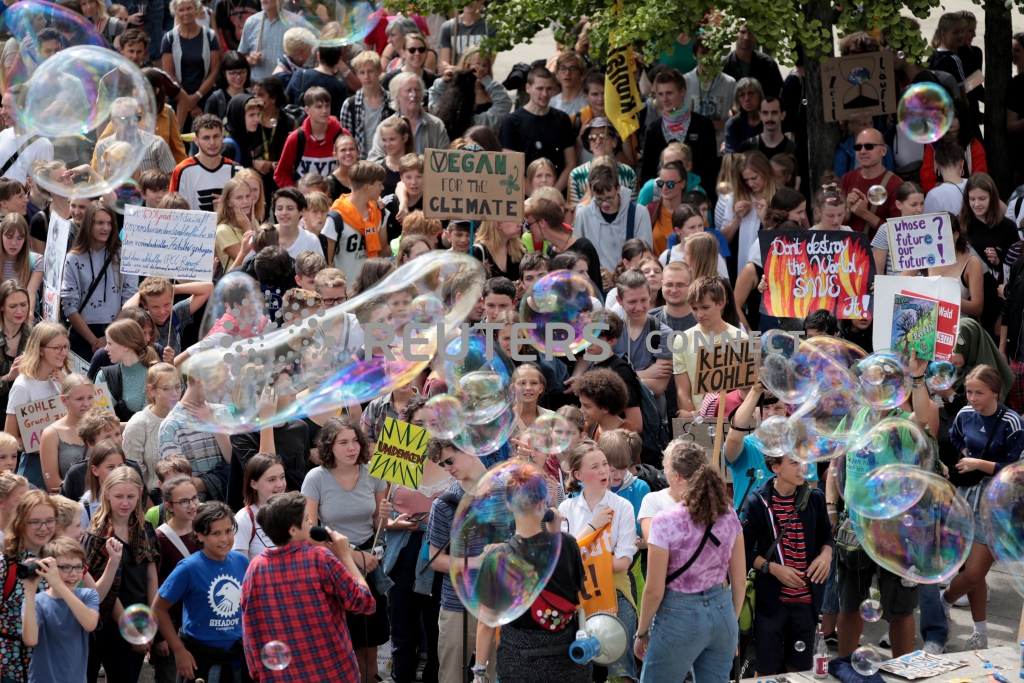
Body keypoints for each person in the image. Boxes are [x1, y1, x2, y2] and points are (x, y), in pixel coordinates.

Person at [634, 440, 745, 683]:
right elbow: (739, 581)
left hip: (679, 614)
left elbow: (654, 590)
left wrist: (641, 632)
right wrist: (731, 624)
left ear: (675, 476)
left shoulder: (664, 520)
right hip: (722, 611)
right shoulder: (728, 513)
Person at [240, 491, 375, 682]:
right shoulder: (320, 558)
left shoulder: (254, 568)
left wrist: (256, 671)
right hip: (332, 672)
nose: (312, 523)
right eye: (307, 519)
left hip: (281, 676)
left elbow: (249, 625)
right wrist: (345, 555)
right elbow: (365, 603)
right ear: (293, 530)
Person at [472, 464, 588, 683]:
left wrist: (479, 672)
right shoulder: (568, 545)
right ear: (544, 502)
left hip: (518, 662)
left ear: (508, 504)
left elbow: (486, 623)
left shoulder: (498, 557)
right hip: (567, 660)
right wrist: (554, 525)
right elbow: (576, 594)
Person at [302, 415, 391, 681]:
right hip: (333, 562)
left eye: (355, 441)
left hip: (370, 563)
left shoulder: (374, 472)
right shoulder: (315, 478)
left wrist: (384, 515)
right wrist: (350, 555)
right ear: (329, 445)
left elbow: (378, 526)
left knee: (370, 646)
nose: (351, 448)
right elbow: (310, 533)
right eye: (343, 442)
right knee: (342, 646)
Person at [941, 365, 1024, 649]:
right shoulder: (965, 414)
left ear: (995, 393)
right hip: (966, 497)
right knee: (972, 571)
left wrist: (978, 463)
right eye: (969, 391)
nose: (973, 398)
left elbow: (1016, 469)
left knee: (975, 572)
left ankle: (943, 603)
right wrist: (966, 455)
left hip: (998, 502)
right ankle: (981, 633)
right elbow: (954, 437)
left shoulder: (1012, 422)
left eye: (980, 393)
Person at [743, 451, 832, 675]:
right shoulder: (758, 501)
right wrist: (772, 568)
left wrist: (826, 555)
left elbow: (826, 537)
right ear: (776, 468)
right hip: (772, 604)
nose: (803, 467)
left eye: (803, 462)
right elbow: (741, 550)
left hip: (806, 602)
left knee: (799, 670)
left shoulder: (815, 498)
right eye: (794, 463)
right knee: (766, 669)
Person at [559, 439, 639, 681]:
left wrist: (582, 554)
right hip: (577, 594)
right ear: (578, 474)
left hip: (615, 591)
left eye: (605, 464)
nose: (604, 471)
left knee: (621, 666)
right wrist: (594, 527)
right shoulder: (566, 509)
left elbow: (623, 561)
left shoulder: (622, 507)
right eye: (594, 467)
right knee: (583, 666)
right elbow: (563, 559)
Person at [153, 501, 250, 683]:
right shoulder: (188, 568)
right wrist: (179, 651)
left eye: (228, 531)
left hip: (237, 656)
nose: (224, 539)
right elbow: (158, 608)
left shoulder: (241, 561)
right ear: (199, 535)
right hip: (202, 659)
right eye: (216, 533)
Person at [425, 438, 495, 683]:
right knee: (451, 676)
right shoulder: (444, 503)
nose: (447, 468)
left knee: (499, 675)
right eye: (443, 464)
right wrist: (477, 562)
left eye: (450, 460)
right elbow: (435, 561)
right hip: (458, 604)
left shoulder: (509, 492)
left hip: (500, 602)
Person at [83, 467, 160, 683]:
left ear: (140, 494)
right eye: (118, 496)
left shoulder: (145, 528)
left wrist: (150, 623)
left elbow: (151, 575)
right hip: (112, 622)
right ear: (106, 494)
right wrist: (132, 633)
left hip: (141, 614)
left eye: (130, 496)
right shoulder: (97, 536)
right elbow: (104, 592)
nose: (125, 503)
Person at [60, 200, 136, 358]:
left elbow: (130, 297)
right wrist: (95, 341)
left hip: (118, 331)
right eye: (100, 223)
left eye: (109, 223)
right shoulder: (73, 258)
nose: (106, 228)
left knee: (110, 383)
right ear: (89, 224)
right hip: (83, 336)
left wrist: (109, 338)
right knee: (89, 382)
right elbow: (69, 304)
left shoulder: (125, 254)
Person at [21, 536, 100, 683]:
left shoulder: (88, 595)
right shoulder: (36, 601)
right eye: (65, 567)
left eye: (78, 566)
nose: (74, 573)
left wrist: (59, 584)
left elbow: (90, 624)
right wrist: (30, 591)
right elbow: (30, 640)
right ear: (47, 569)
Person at [149, 473, 199, 683]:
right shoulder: (160, 538)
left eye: (195, 498)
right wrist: (159, 637)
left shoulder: (205, 530)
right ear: (168, 506)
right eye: (184, 501)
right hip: (172, 623)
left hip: (199, 621)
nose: (192, 505)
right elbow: (154, 586)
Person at [158, 368, 232, 502]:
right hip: (195, 510)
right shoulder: (171, 426)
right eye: (220, 382)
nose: (224, 389)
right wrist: (221, 478)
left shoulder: (223, 412)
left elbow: (236, 461)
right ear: (199, 380)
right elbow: (177, 483)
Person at [672, 276, 742, 416]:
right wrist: (696, 418)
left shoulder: (740, 339)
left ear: (720, 303)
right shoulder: (682, 339)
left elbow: (741, 391)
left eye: (705, 307)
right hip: (695, 422)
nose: (699, 314)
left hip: (731, 418)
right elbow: (682, 391)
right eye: (694, 308)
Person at [640, 68, 719, 192]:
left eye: (669, 93)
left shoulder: (703, 125)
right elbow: (647, 175)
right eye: (660, 94)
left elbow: (710, 171)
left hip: (696, 199)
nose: (664, 99)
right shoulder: (653, 130)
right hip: (664, 201)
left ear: (682, 91)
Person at [499, 67, 575, 191]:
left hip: (556, 198)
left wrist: (553, 193)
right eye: (539, 88)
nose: (544, 94)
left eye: (549, 89)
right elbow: (509, 166)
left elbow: (570, 163)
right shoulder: (512, 121)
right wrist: (535, 196)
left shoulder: (562, 119)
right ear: (528, 88)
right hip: (525, 199)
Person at [961, 173, 1018, 337]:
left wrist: (998, 261)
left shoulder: (1008, 227)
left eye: (982, 198)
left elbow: (1015, 268)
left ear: (992, 197)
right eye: (972, 199)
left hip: (998, 300)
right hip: (969, 299)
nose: (977, 204)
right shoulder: (963, 226)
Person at [572, 163, 652, 272]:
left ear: (618, 188)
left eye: (609, 198)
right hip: (597, 282)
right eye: (599, 199)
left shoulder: (640, 213)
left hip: (630, 281)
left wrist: (615, 276)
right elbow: (577, 255)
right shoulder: (583, 215)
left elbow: (645, 259)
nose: (605, 204)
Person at [4, 322, 68, 457]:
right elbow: (10, 438)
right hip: (34, 465)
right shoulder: (22, 386)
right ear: (40, 350)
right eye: (57, 348)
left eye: (65, 346)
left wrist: (69, 389)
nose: (63, 352)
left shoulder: (62, 379)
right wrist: (49, 449)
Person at [324, 160, 392, 282]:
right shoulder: (335, 218)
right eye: (379, 184)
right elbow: (328, 264)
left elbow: (383, 249)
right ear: (366, 187)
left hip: (371, 289)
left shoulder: (379, 213)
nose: (382, 188)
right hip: (346, 293)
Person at [274, 87, 350, 188]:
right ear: (307, 110)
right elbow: (281, 174)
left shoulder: (343, 135)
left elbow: (354, 169)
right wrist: (297, 195)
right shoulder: (295, 138)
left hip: (337, 200)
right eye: (319, 107)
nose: (324, 111)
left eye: (327, 106)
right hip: (305, 200)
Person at [162, 0, 222, 126]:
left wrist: (197, 96)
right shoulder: (169, 38)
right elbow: (168, 74)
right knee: (178, 139)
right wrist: (187, 102)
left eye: (189, 8)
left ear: (196, 9)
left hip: (206, 98)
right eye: (181, 10)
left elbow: (214, 71)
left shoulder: (210, 36)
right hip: (178, 99)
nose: (186, 13)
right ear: (175, 13)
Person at [718, 151, 778, 274]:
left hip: (771, 270)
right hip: (739, 270)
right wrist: (737, 219)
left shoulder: (779, 196)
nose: (750, 184)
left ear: (765, 172)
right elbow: (723, 241)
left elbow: (787, 240)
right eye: (746, 180)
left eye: (754, 178)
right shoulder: (736, 197)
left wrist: (764, 220)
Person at [170, 115, 242, 212]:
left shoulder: (237, 170)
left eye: (216, 136)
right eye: (206, 138)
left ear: (223, 137)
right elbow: (172, 210)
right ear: (196, 141)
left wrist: (229, 207)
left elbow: (247, 207)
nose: (212, 142)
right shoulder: (182, 170)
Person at [839, 128, 902, 235]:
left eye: (869, 146)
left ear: (883, 150)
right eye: (858, 147)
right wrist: (848, 211)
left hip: (879, 251)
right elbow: (835, 224)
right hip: (849, 249)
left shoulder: (896, 184)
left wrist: (864, 213)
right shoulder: (847, 178)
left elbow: (897, 232)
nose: (863, 151)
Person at [95, 319, 159, 422]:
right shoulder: (103, 375)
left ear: (125, 346)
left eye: (109, 343)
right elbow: (98, 418)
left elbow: (147, 421)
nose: (106, 348)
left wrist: (116, 427)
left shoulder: (153, 375)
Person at [38, 374, 92, 495]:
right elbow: (52, 484)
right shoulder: (51, 434)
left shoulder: (102, 428)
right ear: (64, 400)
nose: (86, 404)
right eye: (79, 399)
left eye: (90, 397)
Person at [738, 97, 805, 191]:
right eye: (765, 113)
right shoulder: (746, 147)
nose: (769, 118)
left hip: (783, 204)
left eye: (774, 112)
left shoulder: (795, 150)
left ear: (783, 115)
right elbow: (739, 185)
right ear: (760, 115)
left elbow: (796, 190)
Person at [237, 0, 314, 81]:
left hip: (284, 87)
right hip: (256, 87)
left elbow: (315, 46)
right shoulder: (251, 22)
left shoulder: (297, 22)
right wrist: (249, 59)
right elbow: (242, 55)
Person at [568, 119, 637, 208]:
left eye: (603, 136)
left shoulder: (628, 173)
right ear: (589, 145)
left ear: (614, 142)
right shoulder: (577, 175)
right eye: (592, 138)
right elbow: (573, 212)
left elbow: (633, 209)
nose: (598, 141)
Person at [339, 50, 394, 161]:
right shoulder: (350, 105)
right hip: (360, 164)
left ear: (379, 71)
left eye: (370, 71)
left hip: (386, 161)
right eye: (362, 72)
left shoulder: (392, 101)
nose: (367, 76)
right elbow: (346, 140)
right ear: (357, 74)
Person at [234, 452, 286, 558]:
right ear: (254, 484)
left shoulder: (295, 512)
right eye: (271, 480)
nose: (280, 485)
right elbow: (241, 566)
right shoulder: (244, 519)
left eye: (282, 477)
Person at [871, 181, 925, 275]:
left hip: (926, 287)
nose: (919, 209)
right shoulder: (886, 229)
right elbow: (877, 272)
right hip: (895, 288)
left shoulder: (931, 227)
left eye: (922, 203)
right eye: (913, 204)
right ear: (899, 205)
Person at [286, 44, 351, 118]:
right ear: (339, 60)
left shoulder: (300, 74)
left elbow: (285, 100)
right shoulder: (340, 86)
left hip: (298, 126)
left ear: (318, 55)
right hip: (323, 128)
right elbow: (339, 117)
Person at [723, 23, 783, 96]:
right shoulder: (724, 64)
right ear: (735, 33)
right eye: (742, 32)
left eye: (751, 33)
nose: (746, 37)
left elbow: (777, 96)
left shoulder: (768, 64)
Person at [0, 216, 42, 318]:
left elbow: (30, 294)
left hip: (23, 316)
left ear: (25, 239)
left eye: (19, 238)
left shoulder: (37, 260)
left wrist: (29, 316)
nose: (14, 243)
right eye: (9, 237)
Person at [438, 0, 494, 68]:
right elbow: (444, 66)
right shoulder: (448, 27)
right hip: (455, 78)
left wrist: (454, 69)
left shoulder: (490, 27)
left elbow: (487, 66)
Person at [204, 50, 251, 121]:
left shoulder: (252, 97)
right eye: (233, 73)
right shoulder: (215, 100)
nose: (238, 77)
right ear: (224, 73)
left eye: (242, 72)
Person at [924, 143, 969, 216]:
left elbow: (928, 224)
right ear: (962, 164)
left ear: (937, 165)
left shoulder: (933, 195)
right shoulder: (974, 185)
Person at [723, 77, 763, 153]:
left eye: (751, 93)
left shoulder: (768, 121)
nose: (747, 99)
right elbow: (732, 157)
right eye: (742, 95)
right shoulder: (733, 124)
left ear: (760, 96)